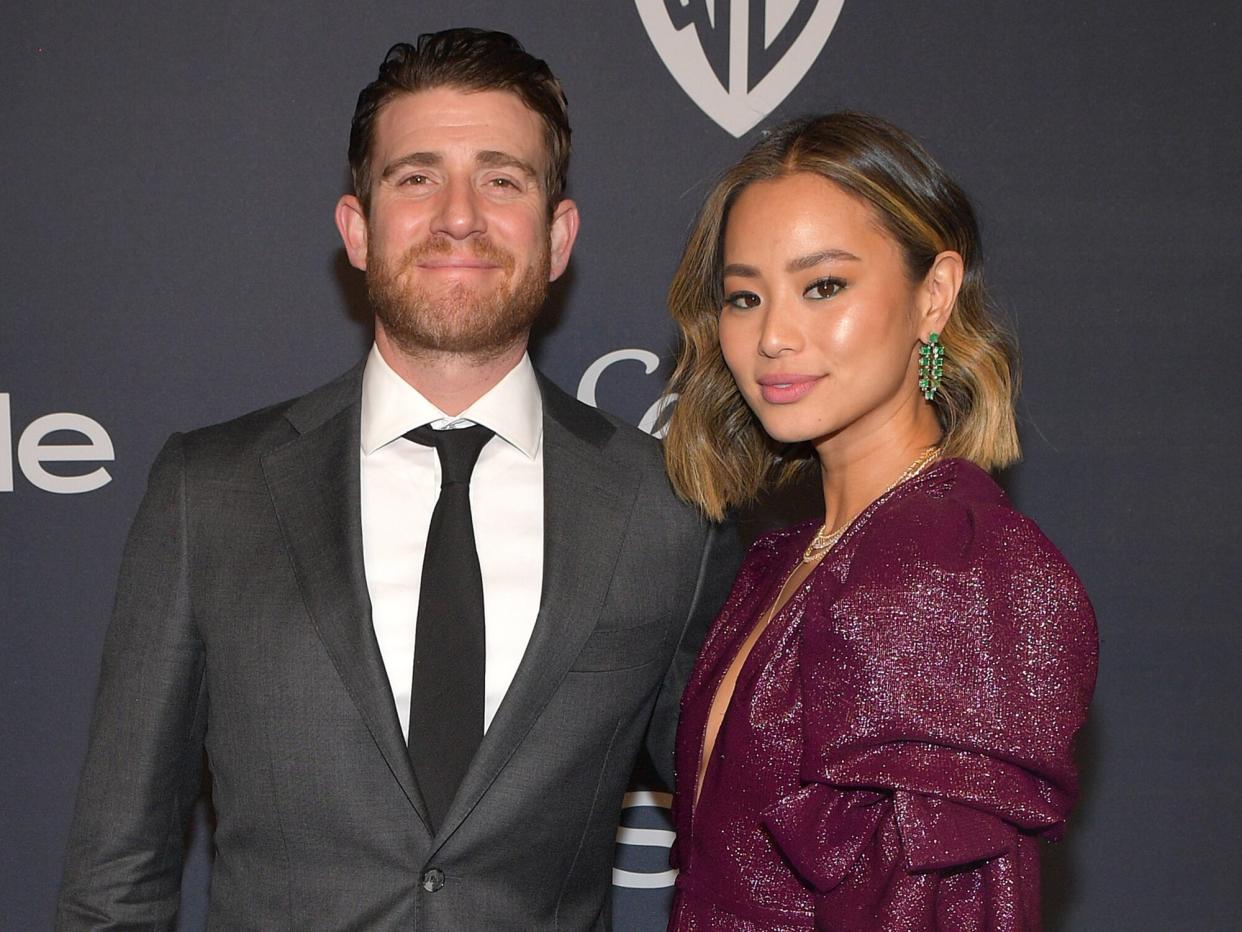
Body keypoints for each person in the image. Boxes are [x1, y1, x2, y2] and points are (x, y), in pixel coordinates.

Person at [56, 29, 740, 931]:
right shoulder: (209, 493)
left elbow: (744, 845)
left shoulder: (671, 512)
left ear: (558, 236)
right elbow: (118, 874)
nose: (460, 215)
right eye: (417, 178)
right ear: (358, 229)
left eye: (502, 179)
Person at [660, 112, 1097, 930]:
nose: (774, 337)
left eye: (824, 286)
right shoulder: (785, 561)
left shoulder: (949, 567)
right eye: (745, 296)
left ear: (933, 295)